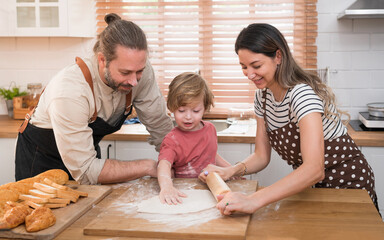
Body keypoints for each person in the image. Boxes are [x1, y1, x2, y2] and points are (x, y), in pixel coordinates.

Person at [199, 23, 379, 215]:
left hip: (349, 186)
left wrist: (253, 200)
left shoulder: (301, 95)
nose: (249, 74)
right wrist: (230, 171)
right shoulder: (263, 98)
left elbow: (314, 169)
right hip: (313, 188)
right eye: (244, 66)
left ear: (278, 56)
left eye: (256, 65)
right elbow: (261, 156)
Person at [15, 13, 174, 185]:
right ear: (102, 60)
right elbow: (86, 171)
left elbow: (159, 123)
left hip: (84, 156)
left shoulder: (138, 70)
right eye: (125, 73)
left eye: (139, 71)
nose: (134, 81)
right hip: (42, 161)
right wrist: (148, 166)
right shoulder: (70, 91)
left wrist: (179, 159)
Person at [157, 72, 231, 205]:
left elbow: (212, 154)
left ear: (205, 108)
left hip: (211, 188)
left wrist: (231, 170)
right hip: (186, 191)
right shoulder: (172, 139)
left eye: (195, 111)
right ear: (171, 108)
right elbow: (164, 164)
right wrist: (167, 186)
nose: (188, 117)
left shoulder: (210, 129)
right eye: (181, 111)